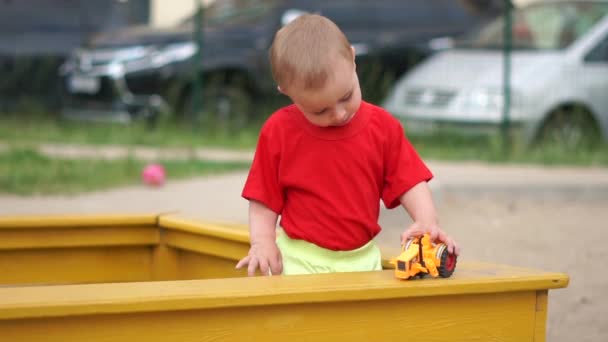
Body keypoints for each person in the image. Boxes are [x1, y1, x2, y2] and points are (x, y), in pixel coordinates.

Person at [236, 14, 459, 276]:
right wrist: (262, 242)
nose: (339, 114)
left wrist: (426, 221)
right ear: (287, 92)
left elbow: (409, 181)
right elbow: (264, 197)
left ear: (353, 59)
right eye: (319, 111)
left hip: (362, 260)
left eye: (346, 96)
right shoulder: (279, 131)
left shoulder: (382, 128)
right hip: (299, 259)